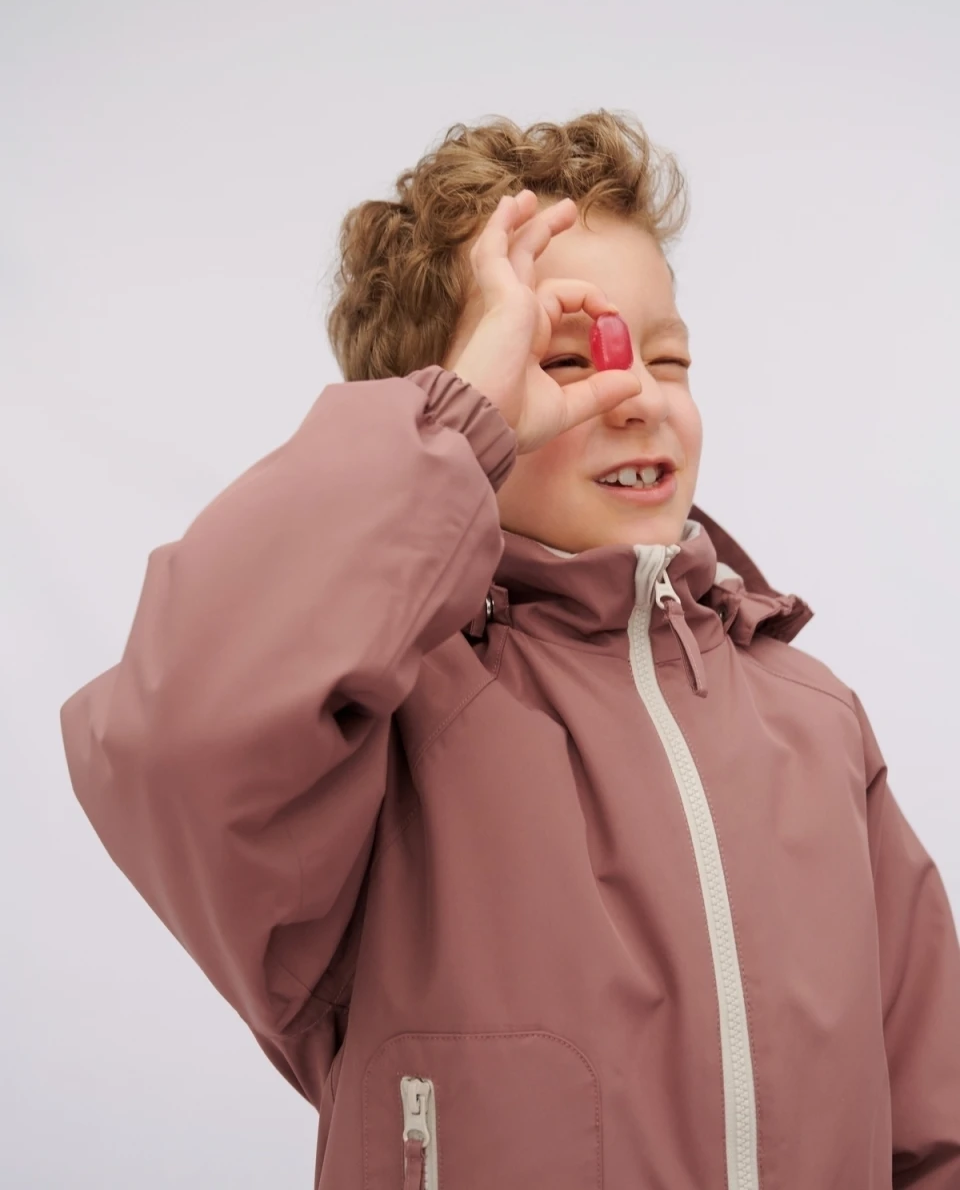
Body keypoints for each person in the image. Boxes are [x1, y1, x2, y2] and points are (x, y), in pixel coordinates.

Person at [60, 110, 960, 1189]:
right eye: (564, 361)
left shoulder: (814, 722)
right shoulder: (385, 735)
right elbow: (180, 737)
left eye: (669, 358)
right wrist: (457, 422)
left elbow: (934, 1124)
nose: (636, 395)